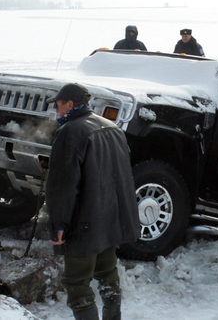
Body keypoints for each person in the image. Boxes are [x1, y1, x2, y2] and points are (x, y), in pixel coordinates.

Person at [44, 83, 141, 320]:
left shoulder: (69, 132)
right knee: (108, 275)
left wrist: (59, 225)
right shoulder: (113, 128)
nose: (57, 111)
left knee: (77, 284)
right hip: (110, 219)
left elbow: (63, 187)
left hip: (84, 223)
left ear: (69, 104)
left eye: (58, 105)